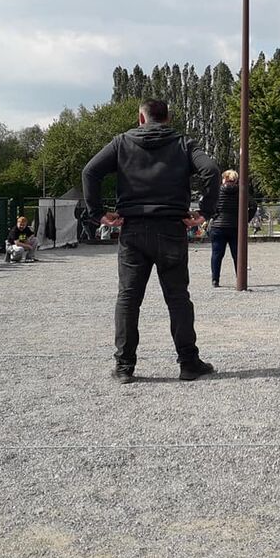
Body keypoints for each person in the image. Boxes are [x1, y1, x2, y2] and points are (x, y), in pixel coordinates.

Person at [82, 98, 220, 383]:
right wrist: (204, 211)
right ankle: (188, 362)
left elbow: (90, 171)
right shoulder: (183, 143)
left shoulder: (121, 143)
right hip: (171, 227)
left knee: (129, 299)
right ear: (167, 118)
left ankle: (124, 367)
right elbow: (211, 171)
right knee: (178, 298)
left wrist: (97, 214)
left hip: (133, 229)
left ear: (141, 119)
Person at [208, 169, 257, 287]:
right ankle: (239, 279)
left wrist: (214, 215)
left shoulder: (217, 191)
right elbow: (253, 205)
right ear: (235, 180)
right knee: (237, 254)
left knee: (217, 254)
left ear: (224, 179)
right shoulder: (241, 191)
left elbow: (206, 204)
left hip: (218, 226)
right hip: (236, 227)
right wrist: (245, 220)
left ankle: (215, 280)